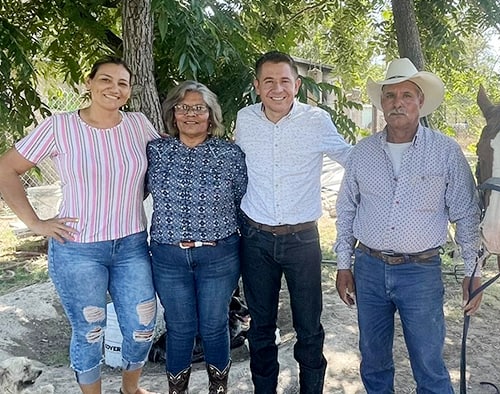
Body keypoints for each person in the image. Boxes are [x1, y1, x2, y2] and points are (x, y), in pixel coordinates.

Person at [0, 57, 159, 394]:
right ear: (88, 83)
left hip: (132, 246)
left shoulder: (139, 124)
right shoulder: (60, 126)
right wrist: (35, 223)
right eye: (105, 80)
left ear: (130, 91)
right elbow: (6, 169)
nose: (113, 89)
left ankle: (130, 389)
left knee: (142, 326)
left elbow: (162, 168)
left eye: (122, 83)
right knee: (90, 329)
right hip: (78, 250)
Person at [333, 58, 481, 393]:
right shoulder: (362, 152)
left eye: (407, 95)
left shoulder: (446, 151)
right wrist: (344, 265)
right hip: (368, 268)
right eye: (390, 95)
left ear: (420, 102)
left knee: (429, 363)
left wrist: (474, 271)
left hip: (421, 272)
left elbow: (465, 214)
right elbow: (345, 210)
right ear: (382, 103)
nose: (398, 102)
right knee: (373, 360)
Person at [234, 50, 351, 393]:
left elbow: (352, 159)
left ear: (297, 85)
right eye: (268, 81)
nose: (277, 88)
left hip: (303, 242)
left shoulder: (316, 121)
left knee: (309, 327)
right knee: (260, 328)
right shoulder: (245, 119)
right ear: (257, 86)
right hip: (255, 239)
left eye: (285, 80)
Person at [147, 81, 247, 393]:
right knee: (180, 329)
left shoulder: (230, 154)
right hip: (169, 257)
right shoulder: (155, 151)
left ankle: (218, 389)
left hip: (219, 256)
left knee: (215, 326)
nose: (191, 113)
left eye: (198, 108)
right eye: (183, 107)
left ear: (211, 114)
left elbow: (243, 202)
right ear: (172, 113)